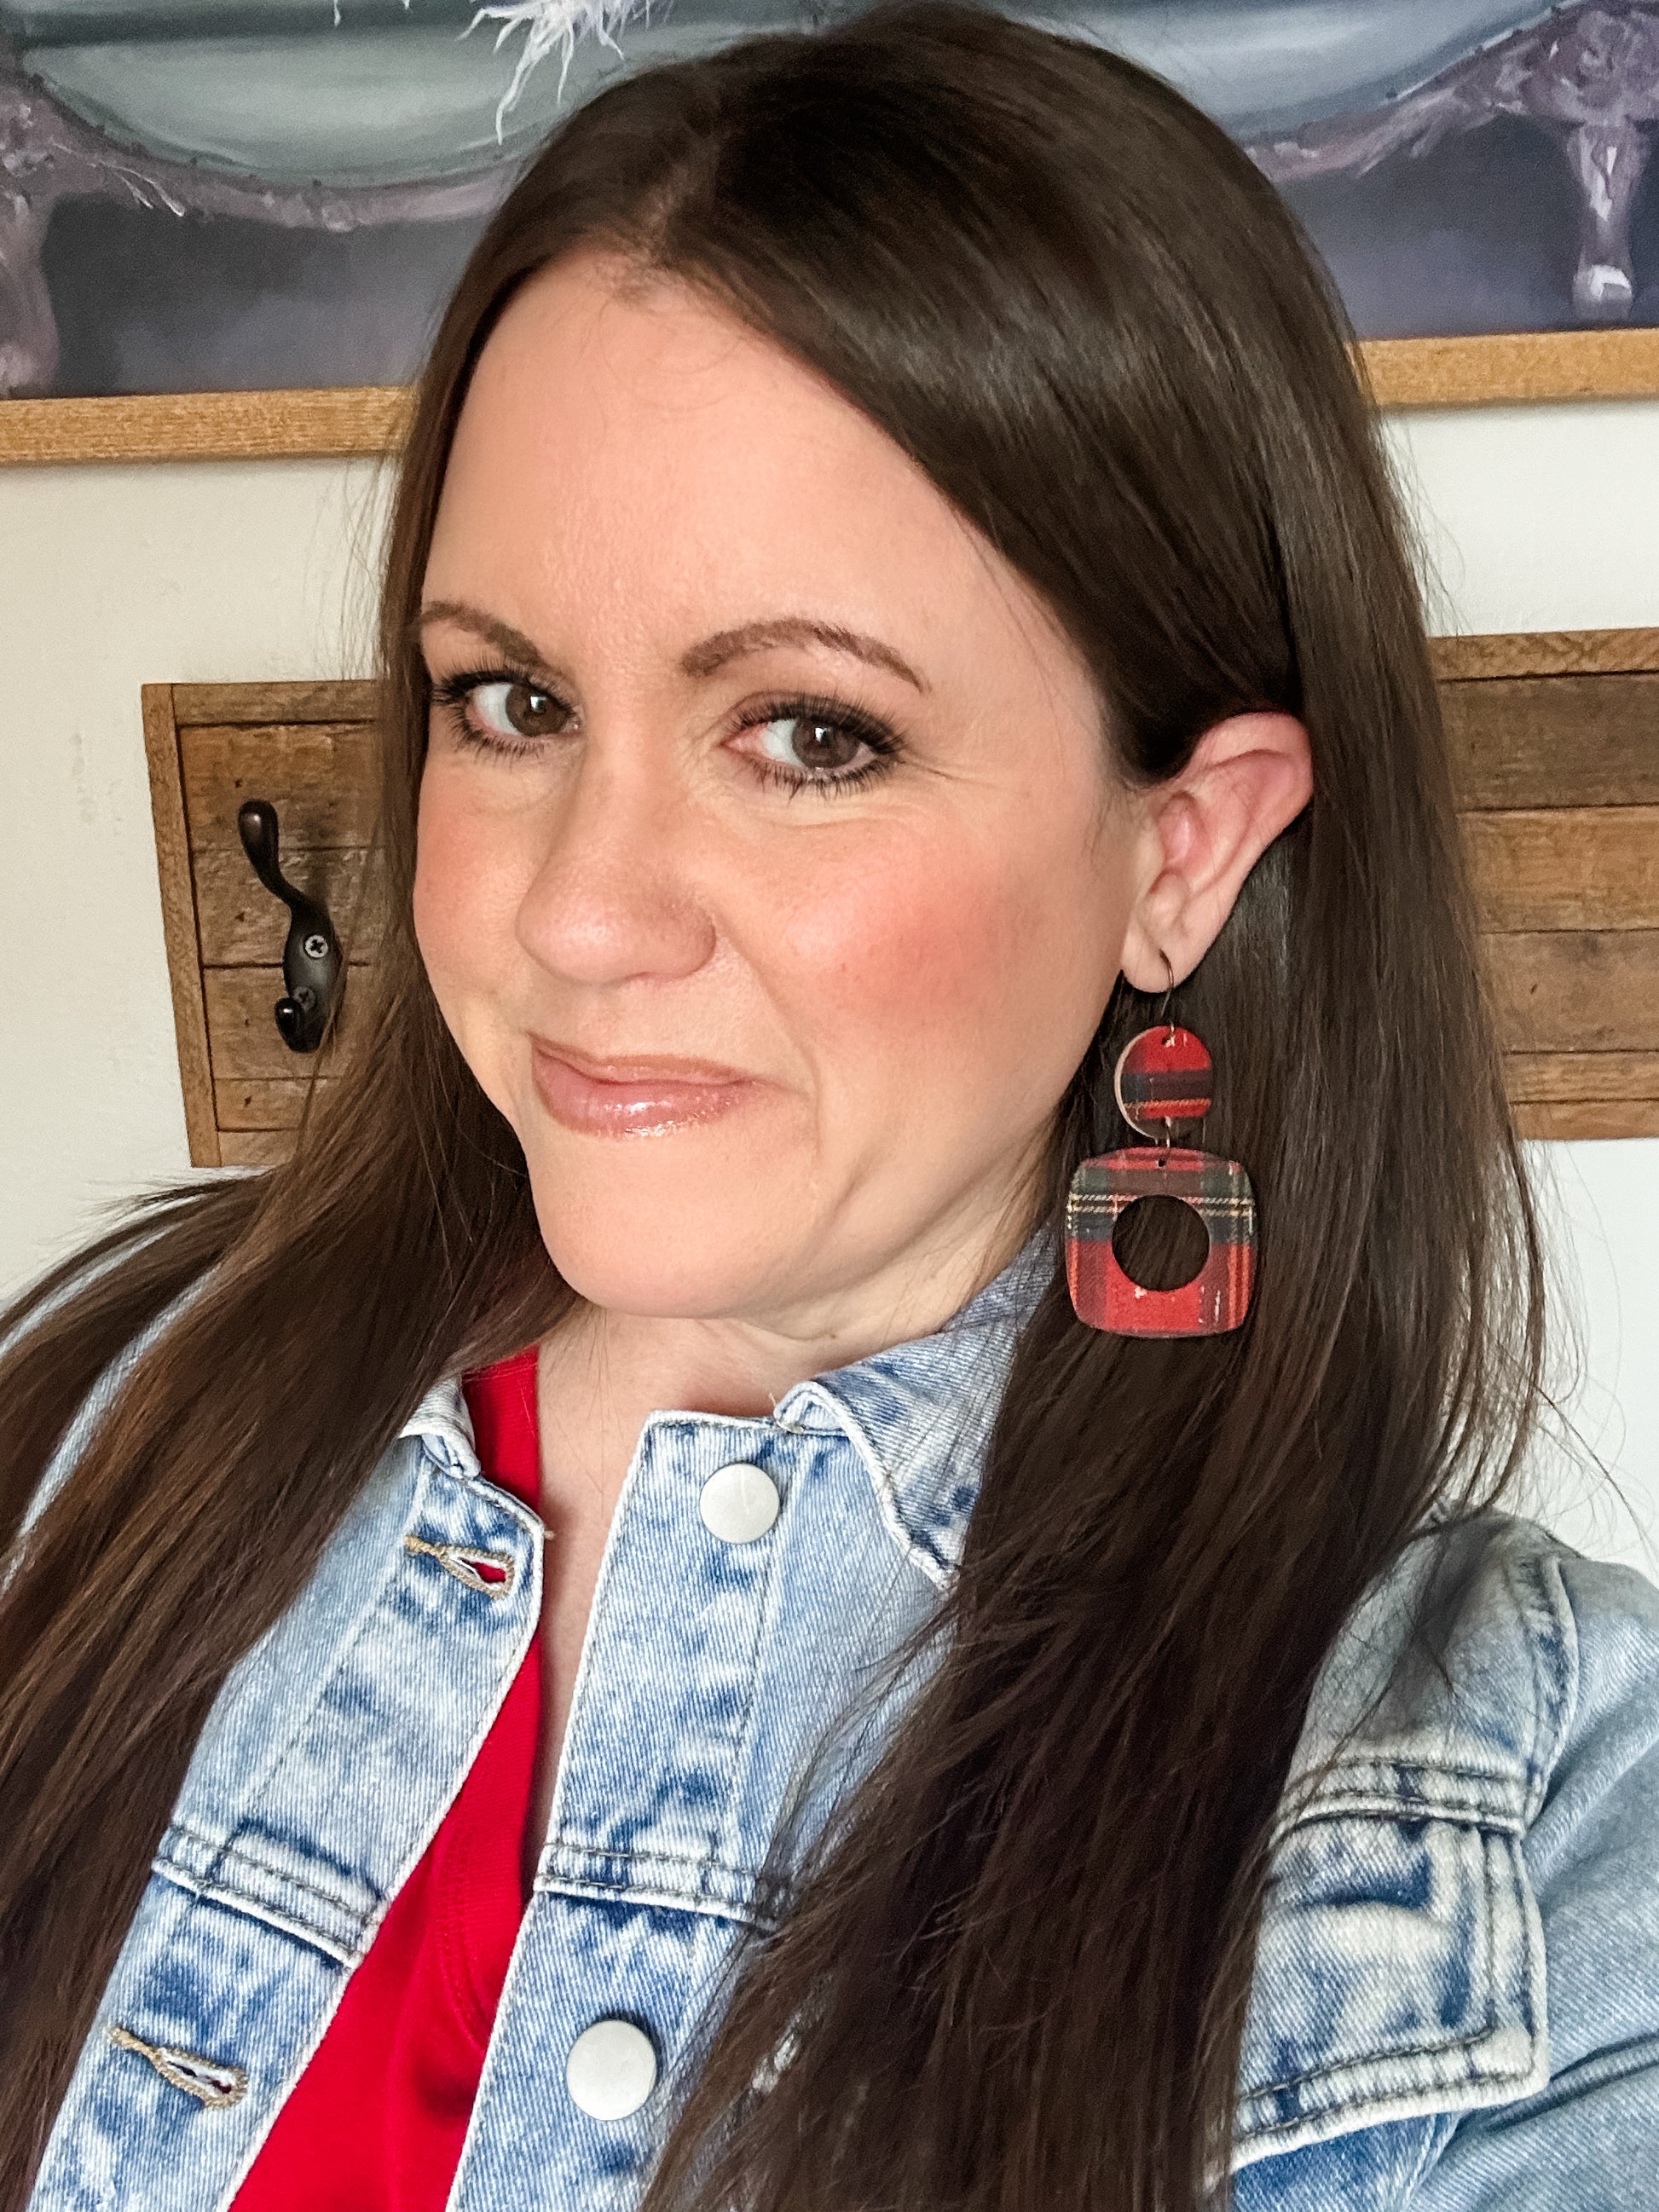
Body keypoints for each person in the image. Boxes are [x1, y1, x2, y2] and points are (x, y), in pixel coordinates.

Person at [4, 1, 1658, 2205]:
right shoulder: (101, 1438)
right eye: (509, 699)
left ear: (1181, 848)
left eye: (807, 734)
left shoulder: (1521, 1813)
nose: (579, 915)